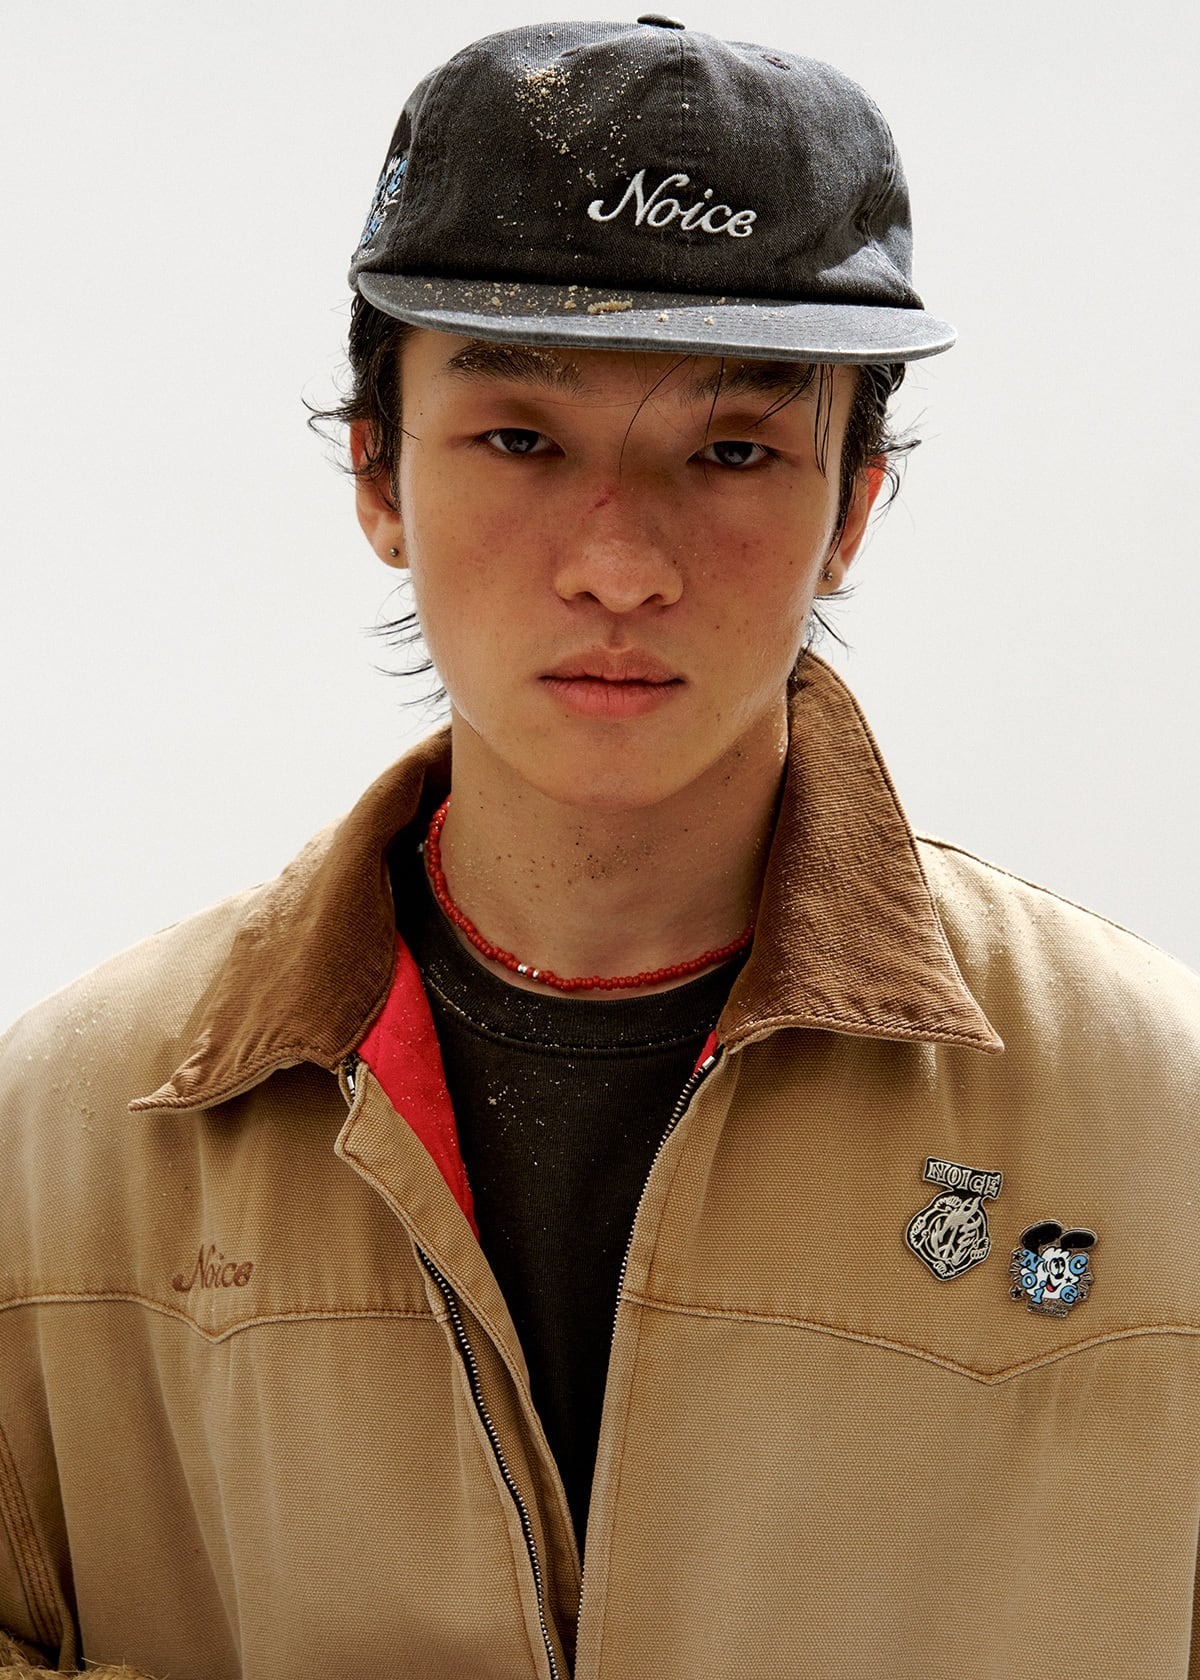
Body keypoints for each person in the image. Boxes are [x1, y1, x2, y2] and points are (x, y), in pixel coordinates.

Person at [2, 17, 1198, 1680]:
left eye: (731, 452)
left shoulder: (1162, 1134)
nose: (621, 565)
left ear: (852, 504)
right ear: (378, 472)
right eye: (520, 439)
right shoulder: (61, 1153)